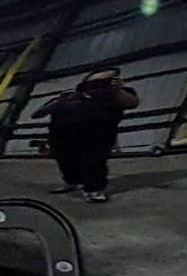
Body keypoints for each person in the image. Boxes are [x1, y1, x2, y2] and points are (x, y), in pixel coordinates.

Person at [37, 68, 140, 202]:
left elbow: (132, 103)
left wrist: (116, 90)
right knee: (65, 159)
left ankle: (94, 189)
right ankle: (73, 182)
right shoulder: (72, 96)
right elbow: (39, 113)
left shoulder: (116, 94)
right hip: (62, 134)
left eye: (104, 82)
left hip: (97, 134)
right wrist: (62, 100)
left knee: (94, 161)